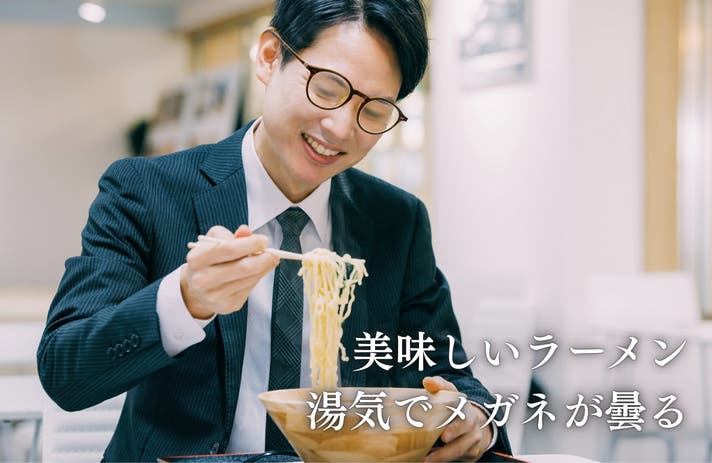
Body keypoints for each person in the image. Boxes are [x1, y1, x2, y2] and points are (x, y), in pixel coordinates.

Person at [37, 0, 511, 461]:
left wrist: (474, 418)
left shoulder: (396, 221)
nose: (341, 128)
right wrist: (186, 299)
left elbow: (447, 374)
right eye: (328, 88)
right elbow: (65, 372)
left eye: (374, 111)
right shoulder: (147, 192)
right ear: (268, 57)